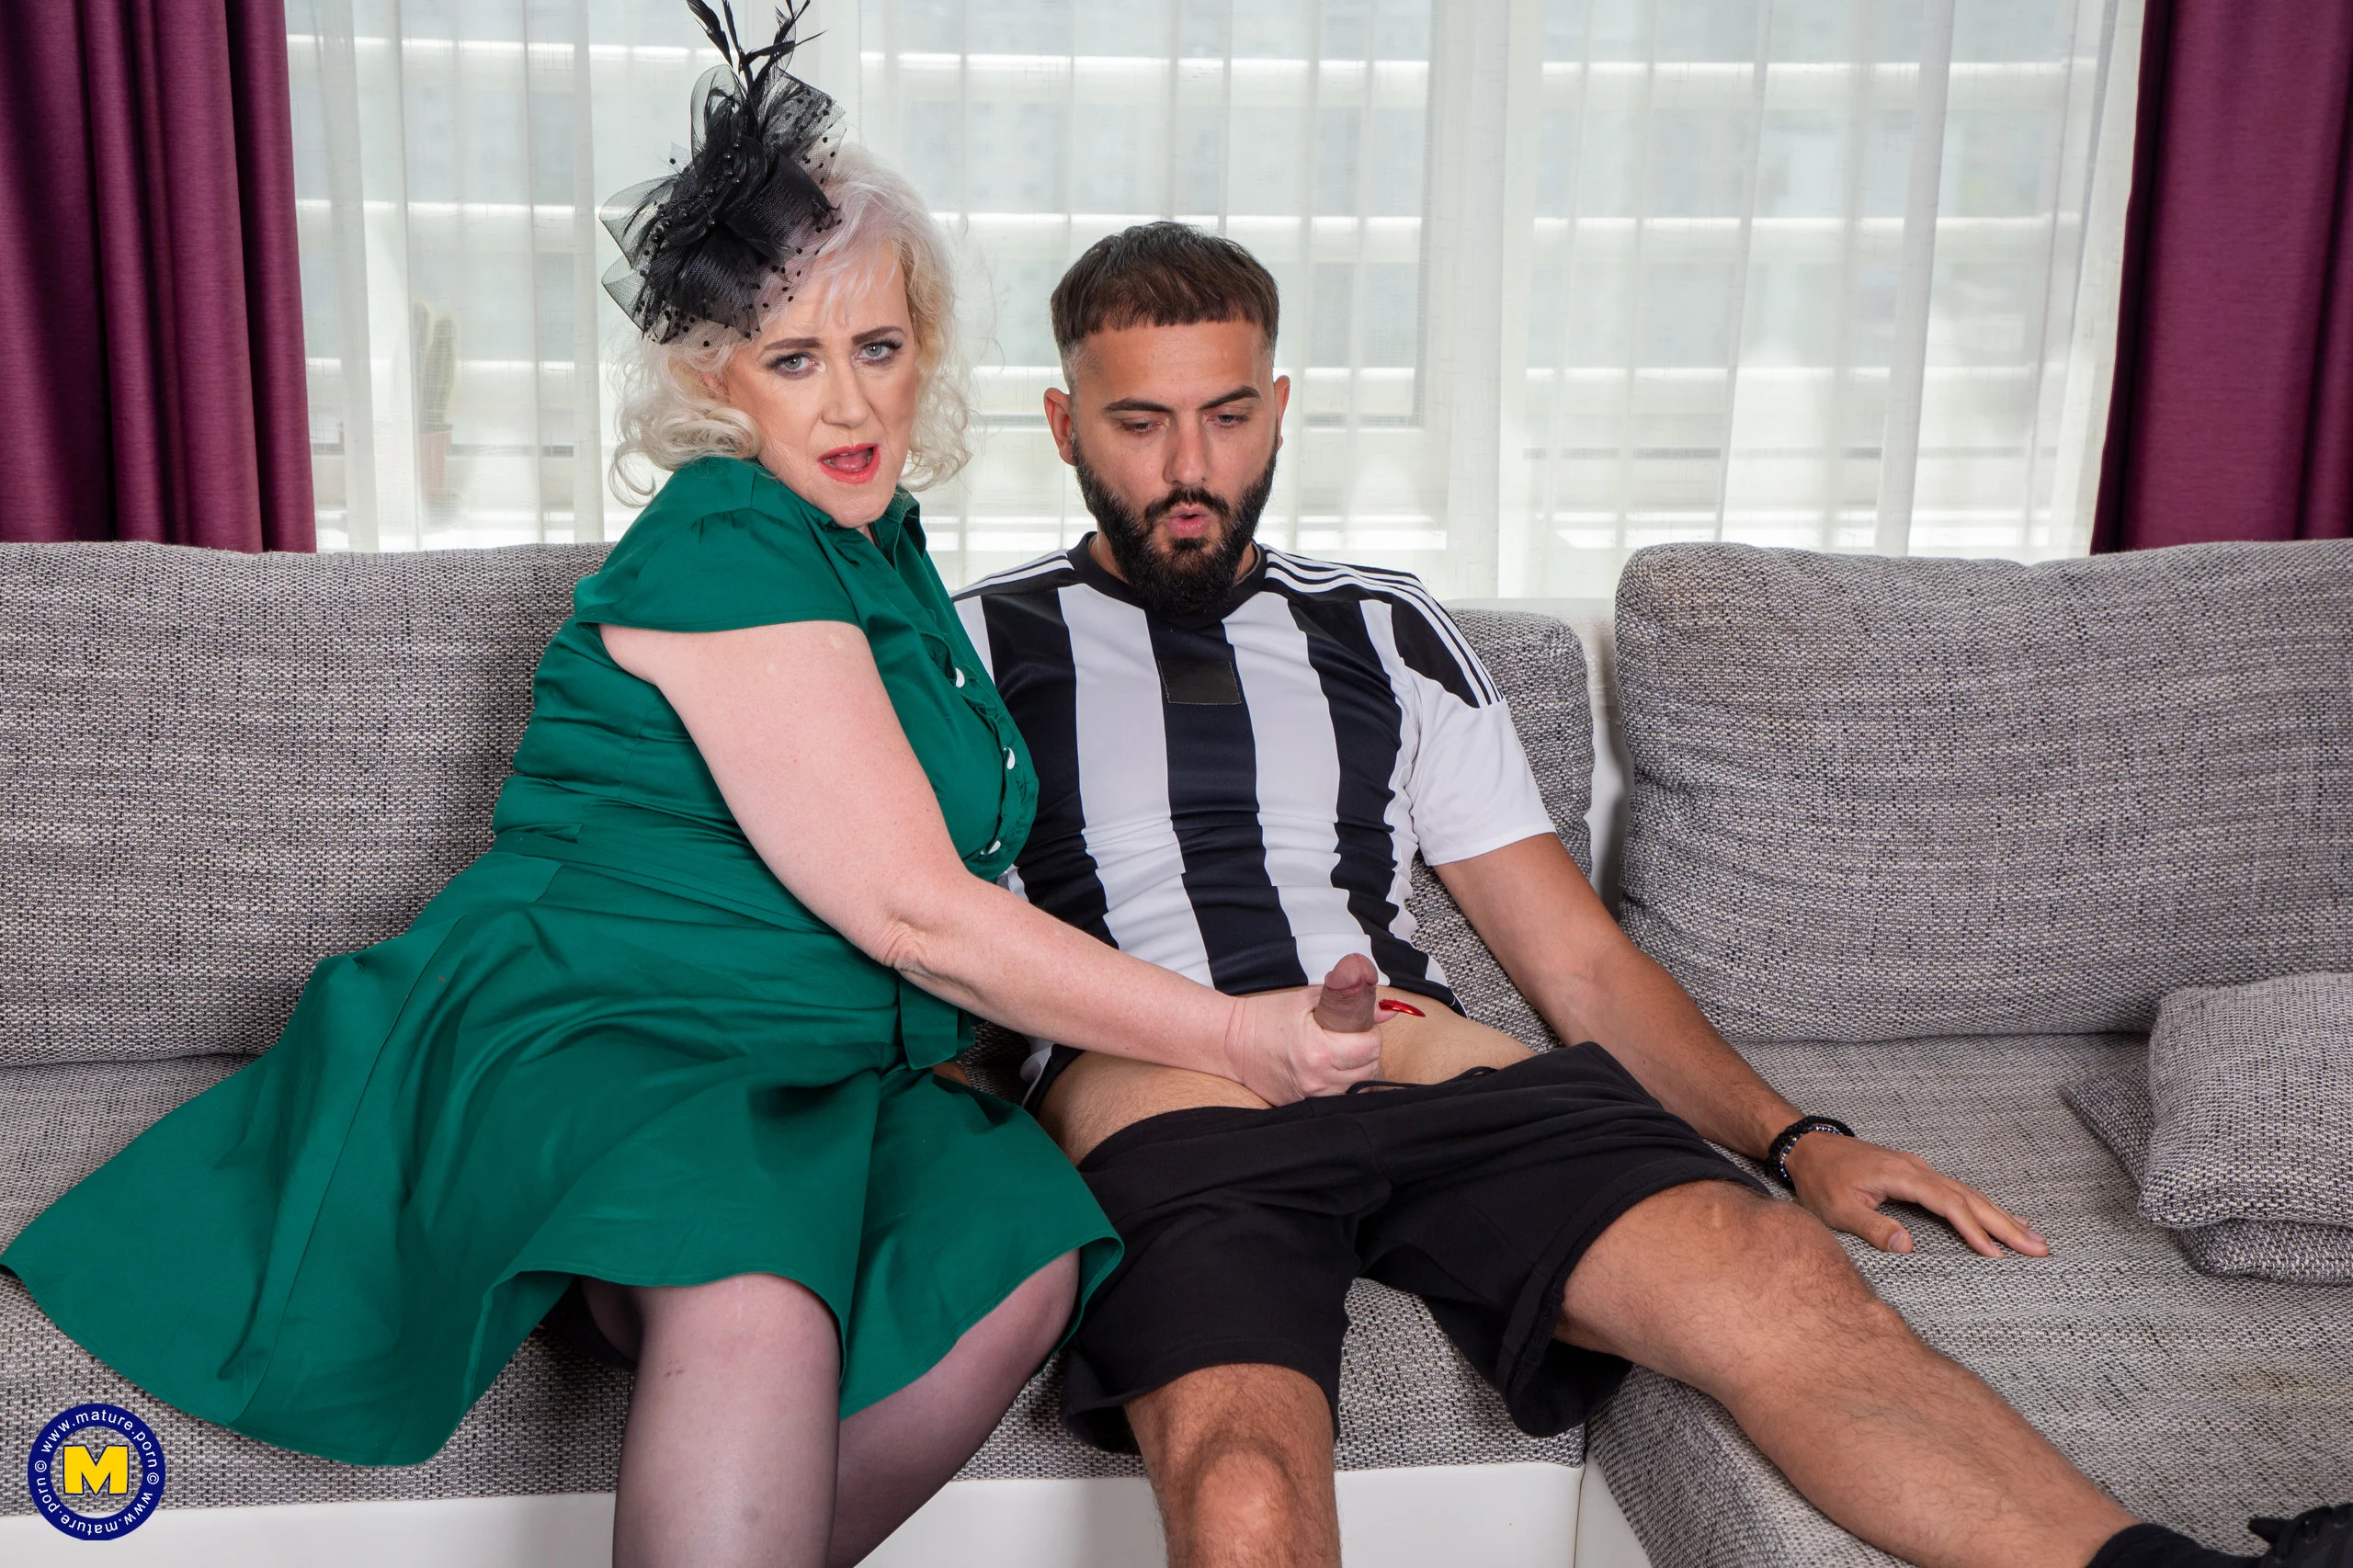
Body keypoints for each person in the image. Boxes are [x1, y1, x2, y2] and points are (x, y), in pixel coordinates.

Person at [0, 26, 1382, 1568]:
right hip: (613, 1029)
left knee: (1013, 1253)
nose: (849, 403)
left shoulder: (879, 552)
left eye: (879, 346)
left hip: (814, 1063)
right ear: (715, 378)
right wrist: (1237, 1036)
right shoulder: (727, 533)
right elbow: (919, 911)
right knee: (752, 1273)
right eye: (794, 359)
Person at [951, 221, 2353, 1568]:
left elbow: (1579, 964)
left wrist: (1796, 1137)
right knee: (1243, 1472)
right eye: (1140, 423)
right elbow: (939, 952)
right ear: (1066, 425)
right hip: (1175, 1098)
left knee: (1786, 1282)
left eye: (1228, 415)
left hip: (1431, 1073)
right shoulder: (970, 648)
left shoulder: (1383, 627)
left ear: (1279, 410)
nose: (1190, 467)